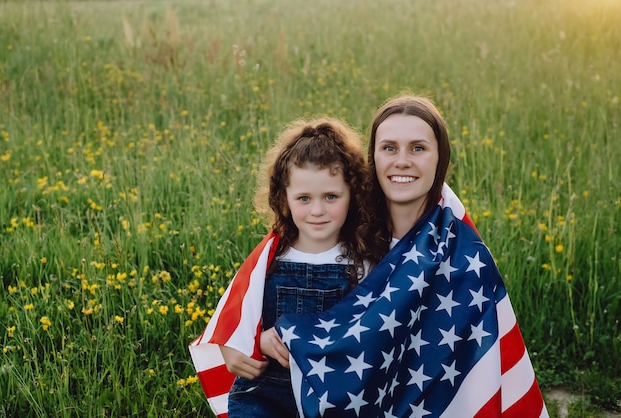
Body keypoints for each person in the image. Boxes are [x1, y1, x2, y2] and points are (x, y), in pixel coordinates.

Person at [275, 94, 549, 417]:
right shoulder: (340, 220)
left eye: (418, 148)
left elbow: (477, 376)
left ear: (439, 158)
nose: (402, 161)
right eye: (389, 147)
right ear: (373, 157)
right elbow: (274, 256)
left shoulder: (464, 257)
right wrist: (250, 336)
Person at [188, 117, 381, 418]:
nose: (317, 210)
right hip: (264, 393)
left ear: (352, 194)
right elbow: (232, 323)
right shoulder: (269, 257)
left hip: (335, 395)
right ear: (284, 199)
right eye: (304, 198)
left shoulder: (363, 263)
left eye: (331, 196)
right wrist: (256, 342)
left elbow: (376, 330)